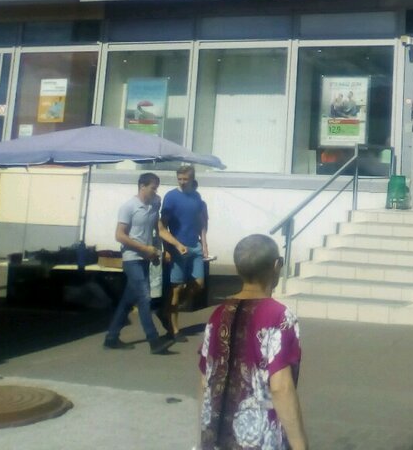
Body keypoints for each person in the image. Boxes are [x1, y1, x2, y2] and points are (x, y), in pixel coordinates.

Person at [199, 234, 308, 450]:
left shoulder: (218, 314)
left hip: (217, 438)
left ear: (238, 269)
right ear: (277, 265)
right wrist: (300, 445)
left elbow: (205, 380)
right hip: (258, 440)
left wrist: (203, 438)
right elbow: (281, 387)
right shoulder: (279, 317)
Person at [104, 172, 173, 354]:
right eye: (153, 188)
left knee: (128, 300)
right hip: (131, 258)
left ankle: (111, 337)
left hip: (146, 257)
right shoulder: (129, 207)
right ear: (142, 186)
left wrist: (157, 250)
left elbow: (157, 228)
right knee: (144, 297)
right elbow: (119, 235)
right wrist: (144, 248)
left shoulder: (155, 203)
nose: (155, 191)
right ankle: (154, 341)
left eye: (156, 188)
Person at [159, 164, 209, 339]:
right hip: (177, 247)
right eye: (179, 179)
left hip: (195, 245)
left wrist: (204, 244)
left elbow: (201, 222)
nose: (182, 182)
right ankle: (174, 329)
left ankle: (169, 309)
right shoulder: (171, 197)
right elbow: (163, 226)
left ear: (192, 179)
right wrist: (167, 249)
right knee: (177, 288)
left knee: (199, 284)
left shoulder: (196, 197)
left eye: (185, 179)